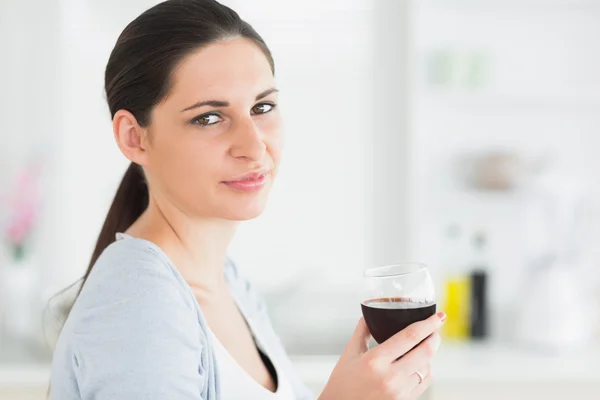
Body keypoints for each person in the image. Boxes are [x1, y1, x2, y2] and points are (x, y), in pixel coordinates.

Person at [50, 1, 445, 399]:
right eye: (209, 117)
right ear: (134, 137)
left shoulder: (228, 284)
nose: (254, 147)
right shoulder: (138, 304)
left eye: (262, 107)